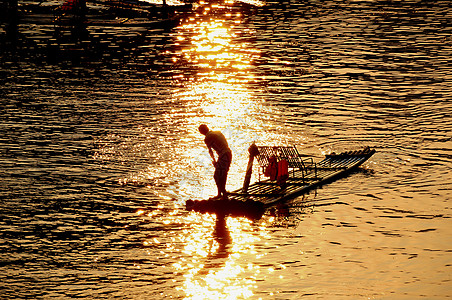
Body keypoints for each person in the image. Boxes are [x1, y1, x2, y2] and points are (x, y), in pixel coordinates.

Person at [198, 124, 232, 199]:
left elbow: (210, 151)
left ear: (201, 132)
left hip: (224, 155)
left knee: (217, 175)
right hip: (228, 153)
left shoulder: (207, 138)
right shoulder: (218, 132)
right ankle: (222, 192)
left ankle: (221, 193)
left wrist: (214, 162)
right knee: (223, 173)